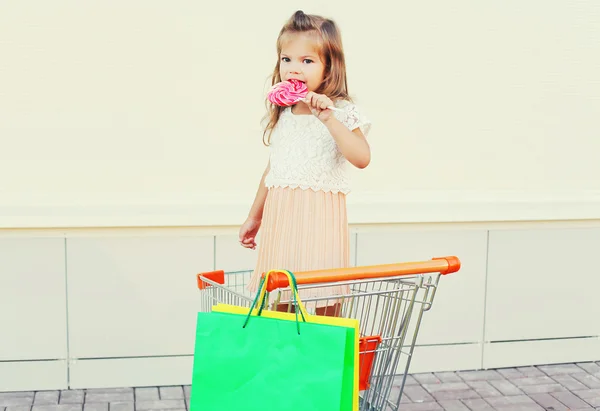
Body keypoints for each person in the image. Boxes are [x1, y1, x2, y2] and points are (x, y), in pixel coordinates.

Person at [239, 10, 372, 317]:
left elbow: (362, 158)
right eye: (286, 59)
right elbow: (273, 171)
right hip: (281, 222)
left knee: (322, 301)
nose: (293, 69)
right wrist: (253, 217)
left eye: (307, 61)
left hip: (319, 222)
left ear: (329, 67)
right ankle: (290, 363)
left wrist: (328, 118)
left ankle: (321, 362)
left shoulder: (339, 111)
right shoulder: (284, 113)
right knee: (281, 301)